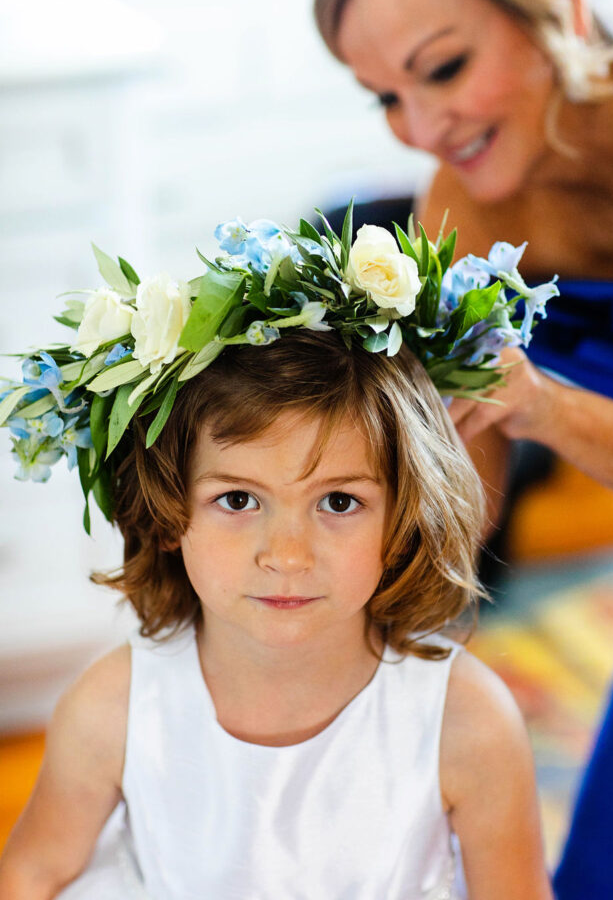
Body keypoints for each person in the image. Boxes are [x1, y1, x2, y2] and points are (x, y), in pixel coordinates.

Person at [313, 0, 613, 897]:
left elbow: (519, 403)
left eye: (443, 68)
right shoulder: (461, 214)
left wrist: (545, 406)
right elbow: (459, 500)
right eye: (384, 94)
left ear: (556, 5)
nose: (419, 128)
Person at [0, 219, 553, 899]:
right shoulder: (113, 707)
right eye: (237, 499)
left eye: (339, 503)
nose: (286, 555)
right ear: (170, 512)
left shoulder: (467, 722)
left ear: (403, 516)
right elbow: (31, 871)